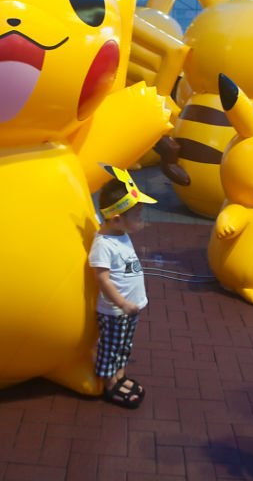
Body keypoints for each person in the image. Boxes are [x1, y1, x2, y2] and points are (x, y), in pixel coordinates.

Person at [89, 167, 155, 408]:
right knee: (111, 348)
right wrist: (121, 303)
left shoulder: (120, 234)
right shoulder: (104, 244)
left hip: (130, 309)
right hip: (116, 312)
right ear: (117, 219)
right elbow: (103, 279)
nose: (142, 220)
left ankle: (120, 377)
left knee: (124, 346)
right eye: (137, 216)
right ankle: (110, 386)